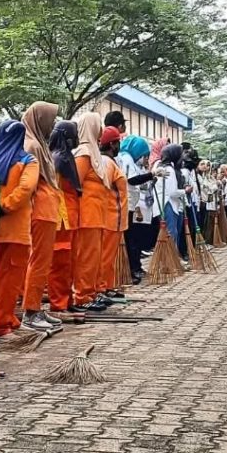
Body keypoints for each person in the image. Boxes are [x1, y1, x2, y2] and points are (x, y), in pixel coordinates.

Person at [0, 119, 40, 340]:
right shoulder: (28, 161)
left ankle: (7, 319)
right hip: (16, 231)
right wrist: (6, 206)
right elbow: (26, 188)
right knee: (9, 282)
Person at [20, 102, 63, 334]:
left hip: (47, 210)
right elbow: (31, 183)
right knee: (38, 261)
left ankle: (35, 306)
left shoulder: (39, 143)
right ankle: (31, 311)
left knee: (42, 262)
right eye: (51, 119)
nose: (53, 124)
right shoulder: (32, 145)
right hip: (40, 211)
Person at [71, 112, 110, 312]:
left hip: (96, 214)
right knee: (86, 258)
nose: (102, 129)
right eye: (99, 124)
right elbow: (75, 183)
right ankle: (82, 296)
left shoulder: (92, 151)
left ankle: (91, 292)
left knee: (94, 257)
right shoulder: (84, 152)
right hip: (87, 215)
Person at [47, 120, 80, 319]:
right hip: (62, 217)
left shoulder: (66, 157)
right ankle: (59, 304)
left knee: (69, 263)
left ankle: (67, 300)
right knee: (60, 264)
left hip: (71, 216)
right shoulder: (59, 159)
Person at [98, 126, 129, 298]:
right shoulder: (106, 162)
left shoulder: (110, 162)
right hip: (110, 217)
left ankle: (107, 286)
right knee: (105, 256)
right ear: (112, 144)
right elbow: (104, 187)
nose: (119, 146)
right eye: (118, 142)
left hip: (115, 217)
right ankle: (101, 287)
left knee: (109, 256)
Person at [118, 135, 151, 284]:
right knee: (130, 239)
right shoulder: (126, 158)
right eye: (144, 155)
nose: (145, 158)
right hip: (127, 203)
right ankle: (132, 269)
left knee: (134, 238)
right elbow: (131, 180)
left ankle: (136, 266)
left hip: (131, 203)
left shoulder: (131, 161)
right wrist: (151, 175)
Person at [154, 144, 190, 264]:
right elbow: (172, 192)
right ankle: (169, 261)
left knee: (171, 232)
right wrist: (185, 191)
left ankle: (171, 259)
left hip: (165, 203)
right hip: (167, 203)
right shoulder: (169, 170)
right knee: (170, 233)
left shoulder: (162, 167)